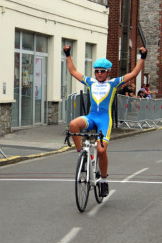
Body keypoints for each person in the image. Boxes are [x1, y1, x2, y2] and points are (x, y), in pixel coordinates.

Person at [63, 45, 147, 197]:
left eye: (102, 71)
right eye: (97, 71)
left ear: (108, 72)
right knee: (73, 124)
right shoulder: (90, 82)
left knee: (101, 150)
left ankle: (103, 180)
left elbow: (134, 73)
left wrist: (143, 57)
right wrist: (68, 54)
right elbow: (73, 71)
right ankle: (81, 155)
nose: (99, 73)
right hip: (91, 117)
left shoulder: (113, 83)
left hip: (104, 120)